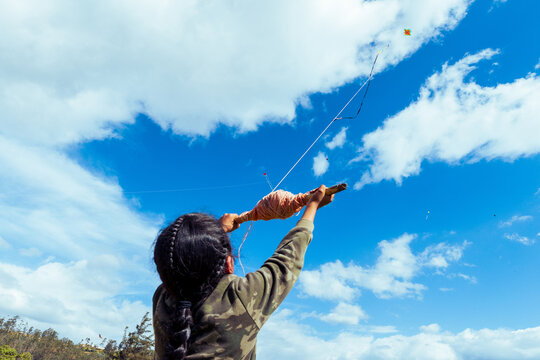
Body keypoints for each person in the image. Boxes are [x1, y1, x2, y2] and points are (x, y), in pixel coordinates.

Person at [152, 185, 334, 359]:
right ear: (229, 263)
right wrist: (313, 205)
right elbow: (287, 259)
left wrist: (218, 233)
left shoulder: (161, 300)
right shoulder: (239, 298)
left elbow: (180, 265)